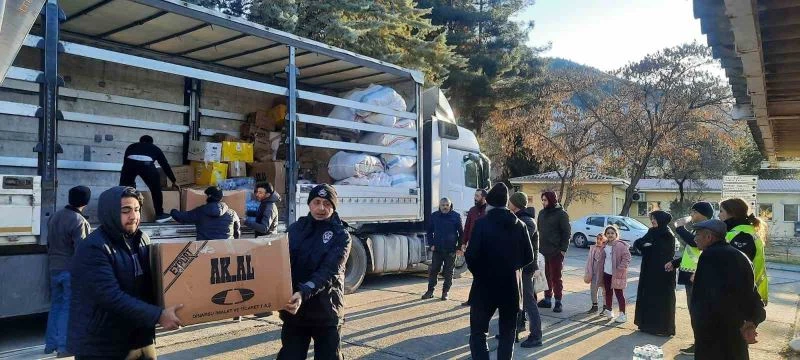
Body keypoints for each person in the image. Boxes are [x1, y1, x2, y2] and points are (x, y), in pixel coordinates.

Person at [68, 187, 182, 359]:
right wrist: (158, 315)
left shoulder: (142, 239)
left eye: (137, 210)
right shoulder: (93, 247)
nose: (134, 216)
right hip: (102, 345)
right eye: (125, 211)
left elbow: (152, 285)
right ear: (110, 213)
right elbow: (110, 296)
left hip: (140, 338)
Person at [278, 184, 352, 360]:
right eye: (317, 202)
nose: (321, 208)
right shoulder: (295, 229)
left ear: (333, 207)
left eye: (327, 203)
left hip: (326, 310)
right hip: (296, 311)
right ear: (309, 204)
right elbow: (280, 262)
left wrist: (304, 291)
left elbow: (329, 271)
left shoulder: (341, 235)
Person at [466, 183, 533, 360]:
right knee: (507, 334)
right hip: (510, 286)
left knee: (478, 332)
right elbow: (529, 256)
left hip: (484, 286)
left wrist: (481, 273)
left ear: (488, 202)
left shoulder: (481, 224)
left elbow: (471, 256)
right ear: (506, 202)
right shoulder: (519, 225)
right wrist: (512, 268)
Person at [690, 219, 766, 360]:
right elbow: (751, 292)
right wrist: (753, 320)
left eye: (698, 234)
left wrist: (700, 325)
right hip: (737, 326)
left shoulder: (710, 256)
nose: (695, 238)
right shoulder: (738, 255)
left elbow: (707, 298)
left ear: (709, 237)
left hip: (715, 330)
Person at [44, 186, 92, 357]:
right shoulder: (79, 221)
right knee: (68, 308)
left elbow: (49, 242)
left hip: (53, 268)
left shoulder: (55, 216)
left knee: (56, 306)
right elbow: (82, 252)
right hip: (70, 270)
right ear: (85, 202)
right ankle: (64, 348)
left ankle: (50, 344)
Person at [665, 201, 714, 355]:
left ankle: (700, 345)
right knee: (694, 312)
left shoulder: (707, 229)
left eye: (694, 212)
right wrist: (675, 263)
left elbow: (693, 243)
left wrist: (679, 227)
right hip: (691, 276)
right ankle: (700, 342)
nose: (691, 215)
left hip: (698, 278)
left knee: (697, 313)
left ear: (703, 214)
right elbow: (691, 253)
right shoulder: (698, 229)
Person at [633, 210, 677, 336]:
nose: (652, 221)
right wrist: (646, 246)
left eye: (655, 219)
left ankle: (662, 329)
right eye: (651, 218)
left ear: (661, 220)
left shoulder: (667, 235)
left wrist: (648, 246)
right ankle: (646, 325)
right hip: (648, 270)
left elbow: (662, 253)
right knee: (647, 297)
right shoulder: (652, 231)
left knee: (661, 300)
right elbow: (638, 243)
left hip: (662, 273)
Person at [508, 192, 542, 348]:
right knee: (516, 299)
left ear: (515, 204)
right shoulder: (520, 219)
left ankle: (536, 336)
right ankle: (516, 327)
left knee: (529, 302)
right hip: (518, 266)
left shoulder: (527, 221)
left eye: (510, 202)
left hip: (526, 267)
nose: (508, 204)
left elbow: (518, 241)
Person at [719, 198, 769, 305]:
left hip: (743, 299)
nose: (719, 215)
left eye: (721, 211)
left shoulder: (741, 235)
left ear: (731, 213)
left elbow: (738, 271)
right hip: (749, 297)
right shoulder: (747, 231)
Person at [119, 135, 179, 223]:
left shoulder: (131, 146)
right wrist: (174, 180)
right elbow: (165, 165)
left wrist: (128, 182)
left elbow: (125, 164)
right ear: (151, 142)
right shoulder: (155, 148)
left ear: (140, 141)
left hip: (129, 164)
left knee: (124, 190)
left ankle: (121, 213)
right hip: (146, 164)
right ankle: (159, 214)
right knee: (155, 189)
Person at [423, 198, 463, 301]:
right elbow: (429, 232)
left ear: (450, 205)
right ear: (439, 206)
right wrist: (431, 244)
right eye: (443, 205)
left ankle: (445, 292)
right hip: (438, 249)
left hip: (451, 250)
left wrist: (459, 247)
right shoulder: (434, 216)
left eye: (447, 205)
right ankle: (430, 291)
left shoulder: (456, 216)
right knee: (434, 270)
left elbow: (461, 233)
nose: (445, 207)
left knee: (448, 272)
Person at [536, 191, 570, 313]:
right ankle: (547, 299)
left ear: (551, 200)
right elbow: (539, 230)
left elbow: (566, 233)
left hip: (556, 252)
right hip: (543, 251)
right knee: (545, 277)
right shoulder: (541, 213)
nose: (543, 202)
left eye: (545, 200)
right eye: (542, 200)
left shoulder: (561, 214)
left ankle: (558, 302)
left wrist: (562, 250)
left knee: (556, 277)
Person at [169, 186, 241, 240]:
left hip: (205, 251)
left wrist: (173, 211)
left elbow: (181, 217)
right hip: (225, 252)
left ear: (209, 196)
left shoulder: (200, 211)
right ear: (220, 197)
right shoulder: (232, 213)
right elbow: (237, 233)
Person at [595, 225, 632, 323]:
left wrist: (620, 268)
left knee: (619, 294)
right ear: (605, 235)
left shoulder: (620, 245)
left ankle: (623, 314)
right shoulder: (604, 244)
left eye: (612, 233)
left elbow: (627, 258)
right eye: (608, 233)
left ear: (616, 234)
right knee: (608, 292)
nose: (610, 235)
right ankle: (609, 310)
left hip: (617, 274)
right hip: (606, 273)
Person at [461, 189, 488, 307]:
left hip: (485, 248)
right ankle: (473, 299)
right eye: (475, 195)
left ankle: (479, 299)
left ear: (484, 197)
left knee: (482, 275)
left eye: (477, 196)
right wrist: (463, 242)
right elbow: (466, 228)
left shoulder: (489, 211)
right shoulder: (472, 210)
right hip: (472, 247)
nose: (475, 198)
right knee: (477, 275)